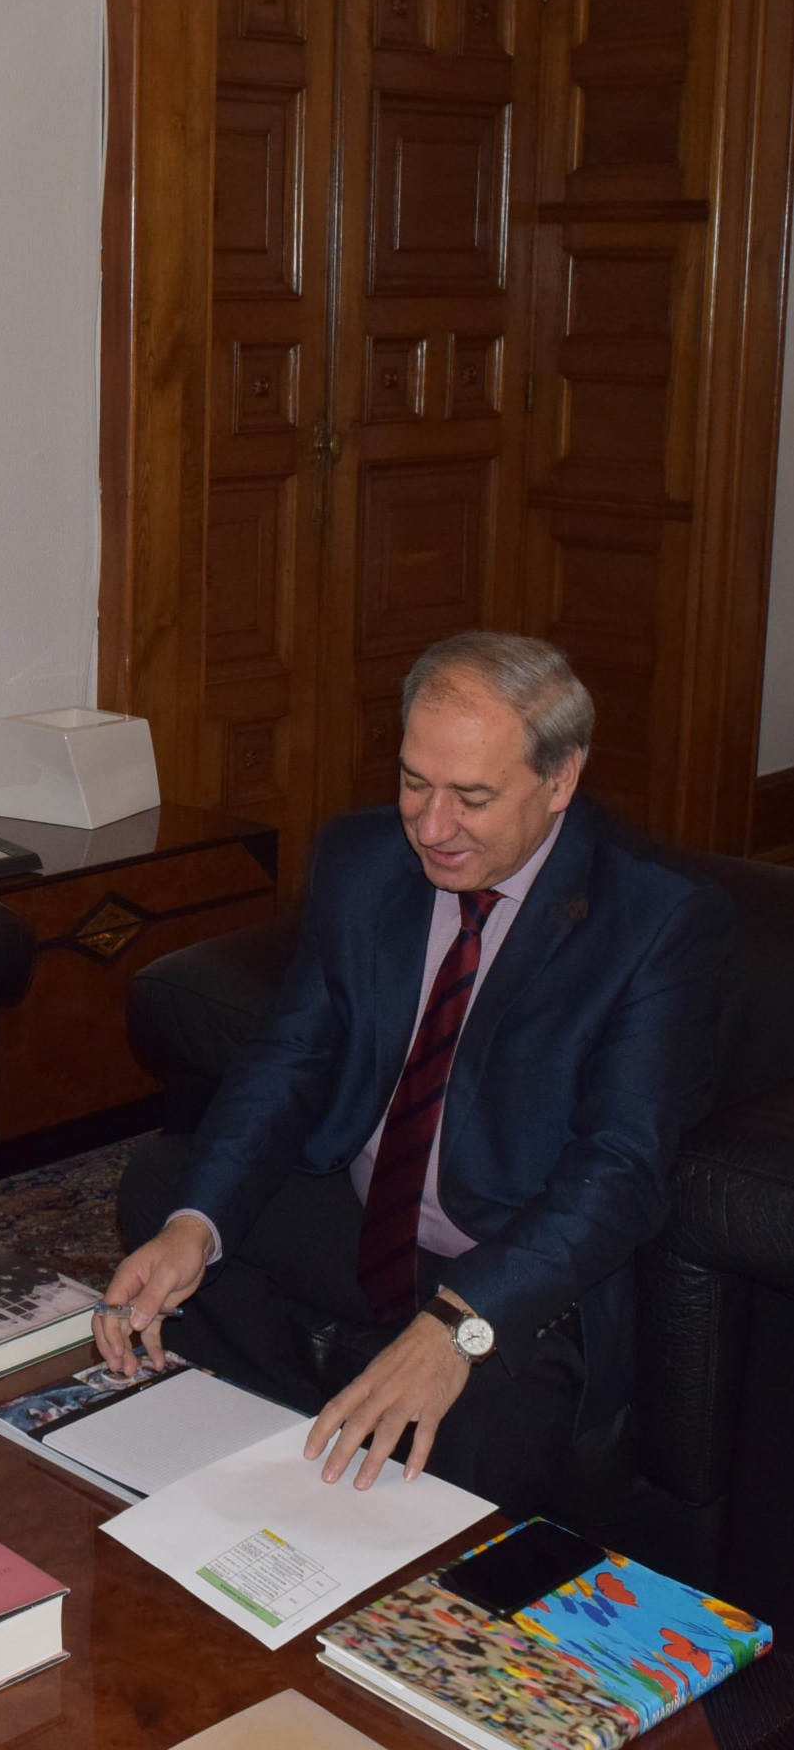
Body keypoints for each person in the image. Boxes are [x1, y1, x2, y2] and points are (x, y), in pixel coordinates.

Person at [94, 631, 730, 1522]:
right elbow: (291, 1057)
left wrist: (457, 1327)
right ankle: (268, 1450)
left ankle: (370, 1435)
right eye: (412, 782)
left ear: (559, 780)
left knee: (484, 1432)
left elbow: (618, 1171)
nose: (430, 828)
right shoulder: (361, 860)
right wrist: (194, 1228)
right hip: (366, 1222)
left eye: (471, 797)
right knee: (170, 1195)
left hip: (507, 1257)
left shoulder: (655, 920)